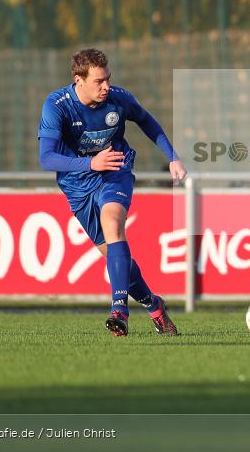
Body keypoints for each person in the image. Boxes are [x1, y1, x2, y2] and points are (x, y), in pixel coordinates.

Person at [37, 48, 187, 337]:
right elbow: (47, 158)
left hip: (115, 172)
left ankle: (119, 310)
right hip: (76, 185)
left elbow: (146, 120)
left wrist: (172, 156)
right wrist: (89, 163)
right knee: (117, 260)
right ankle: (154, 306)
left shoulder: (118, 98)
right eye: (98, 81)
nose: (106, 86)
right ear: (78, 80)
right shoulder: (57, 105)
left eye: (108, 79)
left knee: (113, 223)